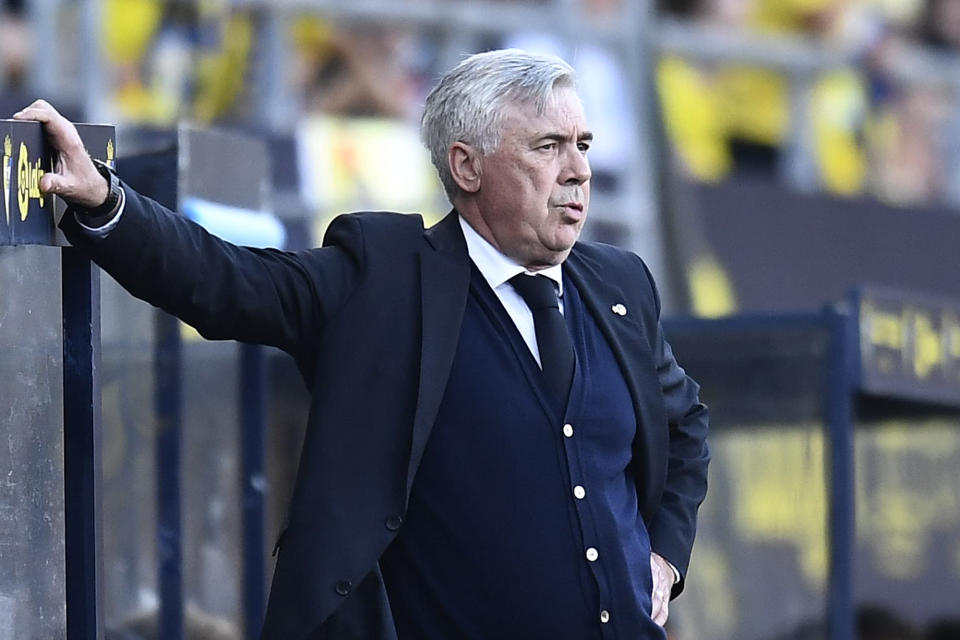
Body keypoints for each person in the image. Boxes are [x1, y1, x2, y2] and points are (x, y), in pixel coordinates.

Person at [16, 49, 709, 640]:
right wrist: (107, 203)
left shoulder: (622, 284)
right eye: (548, 147)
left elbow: (684, 430)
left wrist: (666, 559)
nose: (579, 171)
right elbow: (224, 281)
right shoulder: (382, 276)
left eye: (583, 146)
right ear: (466, 167)